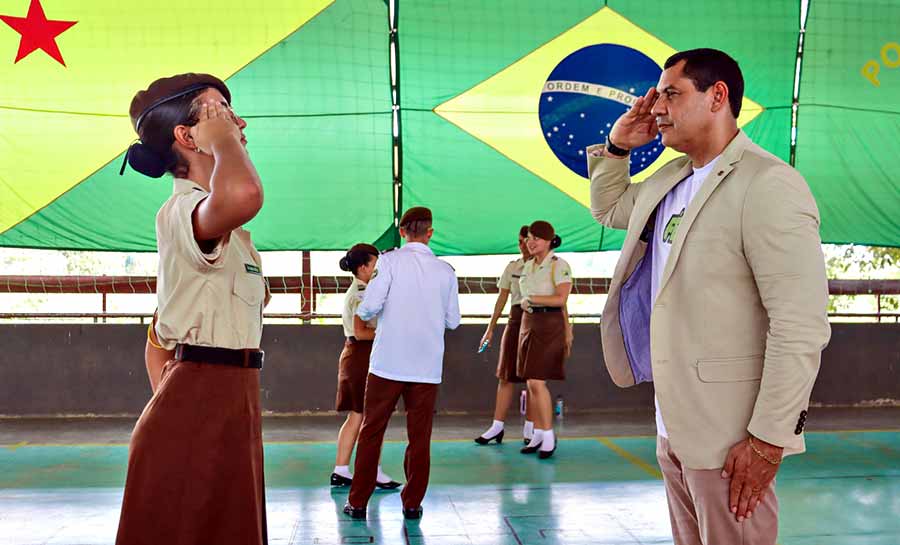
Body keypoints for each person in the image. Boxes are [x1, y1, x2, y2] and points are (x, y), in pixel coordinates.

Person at [588, 48, 830, 545]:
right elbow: (609, 207)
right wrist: (617, 147)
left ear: (718, 96)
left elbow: (799, 323)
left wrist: (768, 438)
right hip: (674, 423)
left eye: (671, 95)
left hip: (731, 435)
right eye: (657, 97)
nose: (657, 108)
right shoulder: (672, 179)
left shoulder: (768, 185)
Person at [116, 73, 270, 545]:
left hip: (230, 399)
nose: (238, 122)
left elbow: (158, 339)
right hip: (200, 397)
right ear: (187, 136)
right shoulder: (182, 212)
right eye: (221, 112)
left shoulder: (225, 228)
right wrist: (182, 408)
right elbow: (245, 194)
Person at [343, 207, 461, 520]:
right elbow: (453, 321)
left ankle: (357, 502)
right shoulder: (446, 271)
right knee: (420, 438)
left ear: (403, 231)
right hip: (426, 367)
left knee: (372, 432)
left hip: (387, 364)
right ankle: (412, 503)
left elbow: (369, 307)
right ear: (430, 233)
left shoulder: (389, 262)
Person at [331, 243, 399, 490]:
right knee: (370, 417)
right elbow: (361, 332)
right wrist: (390, 331)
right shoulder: (362, 293)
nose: (378, 270)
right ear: (362, 268)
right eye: (375, 265)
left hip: (358, 356)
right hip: (361, 356)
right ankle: (371, 471)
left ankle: (342, 469)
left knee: (359, 416)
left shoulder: (364, 289)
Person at [517, 221, 573, 460]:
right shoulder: (528, 265)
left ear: (549, 240)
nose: (531, 242)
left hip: (549, 324)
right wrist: (528, 303)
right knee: (530, 384)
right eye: (529, 237)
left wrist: (532, 299)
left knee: (538, 382)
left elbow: (560, 299)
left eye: (536, 238)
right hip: (529, 322)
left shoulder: (559, 265)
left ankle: (549, 436)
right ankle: (538, 433)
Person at [475, 225, 535, 446]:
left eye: (526, 240)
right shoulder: (513, 267)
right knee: (506, 375)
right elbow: (501, 298)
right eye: (519, 241)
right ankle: (497, 427)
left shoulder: (545, 266)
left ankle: (530, 429)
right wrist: (490, 328)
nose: (523, 245)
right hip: (515, 320)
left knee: (533, 379)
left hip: (536, 320)